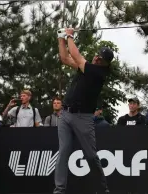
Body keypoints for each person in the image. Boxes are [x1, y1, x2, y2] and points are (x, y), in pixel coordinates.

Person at [54, 28, 114, 194]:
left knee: (90, 156)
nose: (96, 57)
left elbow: (75, 55)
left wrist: (70, 35)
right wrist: (61, 38)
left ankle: (103, 190)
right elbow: (65, 58)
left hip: (84, 118)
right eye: (97, 55)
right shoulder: (86, 67)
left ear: (105, 63)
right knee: (63, 152)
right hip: (66, 114)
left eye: (100, 58)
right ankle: (59, 190)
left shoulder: (98, 72)